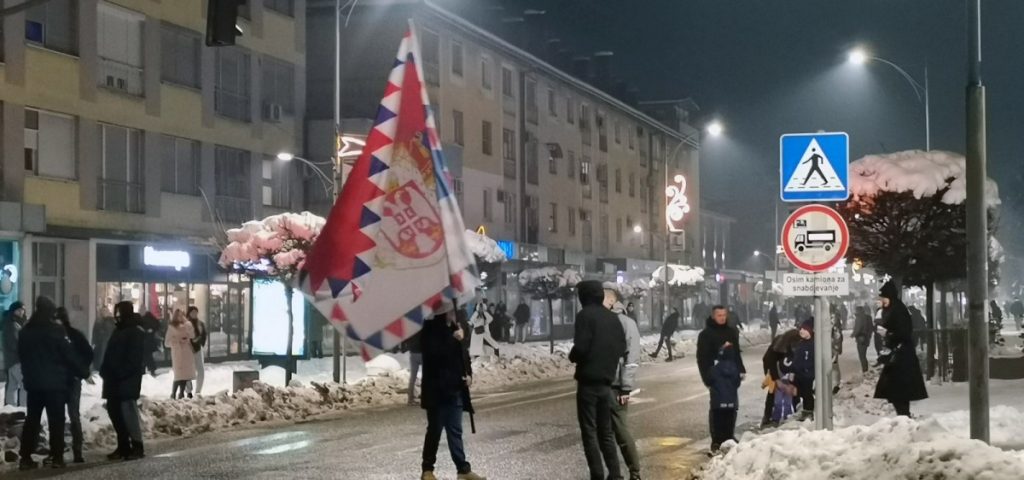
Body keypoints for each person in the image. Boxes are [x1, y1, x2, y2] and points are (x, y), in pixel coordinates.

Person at [17, 297, 89, 470]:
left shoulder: (26, 331)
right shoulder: (56, 331)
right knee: (56, 421)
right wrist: (83, 372)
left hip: (34, 384)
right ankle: (57, 457)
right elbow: (68, 354)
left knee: (32, 421)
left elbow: (22, 355)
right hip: (55, 384)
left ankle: (25, 457)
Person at [419, 301, 485, 480]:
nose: (455, 314)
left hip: (455, 390)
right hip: (438, 392)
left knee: (455, 431)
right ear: (443, 312)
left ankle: (463, 469)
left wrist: (468, 374)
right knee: (435, 430)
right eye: (451, 311)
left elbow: (463, 356)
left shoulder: (455, 330)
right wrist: (454, 340)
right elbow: (435, 356)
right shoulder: (430, 330)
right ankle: (427, 470)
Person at [569, 280, 627, 480]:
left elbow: (582, 347)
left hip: (588, 383)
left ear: (583, 296)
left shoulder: (585, 316)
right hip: (607, 382)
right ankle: (616, 474)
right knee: (606, 432)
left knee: (590, 432)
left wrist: (573, 355)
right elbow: (621, 347)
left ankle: (597, 475)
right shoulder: (612, 318)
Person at [874, 281, 928, 416]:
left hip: (902, 356)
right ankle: (903, 415)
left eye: (883, 298)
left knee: (899, 388)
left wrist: (887, 333)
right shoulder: (893, 308)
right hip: (898, 355)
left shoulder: (898, 310)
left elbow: (904, 332)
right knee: (896, 389)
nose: (882, 300)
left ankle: (904, 415)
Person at [101, 301, 147, 460]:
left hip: (126, 379)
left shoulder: (135, 331)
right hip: (114, 378)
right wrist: (105, 369)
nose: (116, 315)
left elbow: (133, 358)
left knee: (128, 412)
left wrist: (119, 372)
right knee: (114, 412)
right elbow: (110, 352)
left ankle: (137, 445)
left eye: (119, 312)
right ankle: (123, 446)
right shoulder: (119, 329)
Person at [697, 306, 746, 452]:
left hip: (731, 376)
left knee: (731, 407)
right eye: (719, 315)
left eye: (724, 315)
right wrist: (707, 377)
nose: (722, 318)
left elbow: (736, 352)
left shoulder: (731, 332)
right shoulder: (706, 335)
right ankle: (717, 439)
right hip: (716, 377)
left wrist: (740, 370)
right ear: (713, 316)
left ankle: (729, 436)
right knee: (718, 408)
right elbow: (702, 358)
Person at [606, 289, 641, 480]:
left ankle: (634, 472)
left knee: (620, 431)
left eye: (603, 297)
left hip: (616, 385)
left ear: (612, 300)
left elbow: (632, 357)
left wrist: (626, 387)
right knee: (605, 433)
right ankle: (614, 474)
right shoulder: (602, 320)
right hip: (602, 384)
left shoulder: (626, 323)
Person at [56, 307, 93, 464]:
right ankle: (77, 451)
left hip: (59, 380)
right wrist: (82, 369)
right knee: (74, 415)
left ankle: (58, 452)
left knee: (58, 416)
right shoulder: (76, 334)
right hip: (73, 380)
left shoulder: (56, 336)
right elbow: (89, 353)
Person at [759, 327, 803, 428]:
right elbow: (769, 361)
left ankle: (796, 413)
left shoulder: (801, 346)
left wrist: (795, 384)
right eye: (793, 347)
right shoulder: (779, 346)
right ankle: (768, 417)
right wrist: (776, 379)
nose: (795, 349)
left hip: (789, 372)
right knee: (773, 392)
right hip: (774, 369)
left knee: (793, 391)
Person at [165, 310, 196, 400]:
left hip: (187, 352)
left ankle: (181, 392)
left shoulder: (186, 325)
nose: (180, 317)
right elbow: (167, 342)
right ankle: (173, 393)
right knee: (178, 375)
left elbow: (192, 335)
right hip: (178, 353)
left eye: (182, 315)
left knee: (185, 375)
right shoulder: (172, 327)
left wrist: (187, 324)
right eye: (178, 316)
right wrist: (177, 341)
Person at [790, 319, 815, 419]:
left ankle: (808, 412)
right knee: (795, 392)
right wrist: (792, 371)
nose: (801, 331)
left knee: (807, 394)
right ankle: (798, 409)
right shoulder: (801, 343)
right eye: (801, 329)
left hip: (807, 375)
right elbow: (796, 359)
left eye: (804, 329)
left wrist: (810, 371)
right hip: (799, 374)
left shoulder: (813, 345)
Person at [2, 301, 26, 406]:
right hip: (16, 360)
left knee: (13, 386)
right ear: (14, 311)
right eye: (20, 310)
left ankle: (10, 408)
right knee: (24, 384)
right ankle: (23, 408)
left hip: (11, 360)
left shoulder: (10, 323)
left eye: (23, 310)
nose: (22, 312)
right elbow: (15, 343)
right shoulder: (12, 325)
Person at [186, 306, 207, 397]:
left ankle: (198, 391)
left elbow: (204, 335)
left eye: (196, 312)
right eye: (192, 312)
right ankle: (188, 391)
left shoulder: (200, 324)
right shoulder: (186, 324)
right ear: (189, 313)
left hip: (198, 349)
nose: (194, 314)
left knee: (201, 370)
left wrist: (200, 342)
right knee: (188, 371)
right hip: (187, 350)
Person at [402, 329, 424, 406]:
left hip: (413, 354)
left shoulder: (411, 329)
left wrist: (403, 349)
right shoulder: (424, 329)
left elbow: (405, 339)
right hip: (423, 354)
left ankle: (410, 399)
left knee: (412, 378)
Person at [92, 305, 115, 371]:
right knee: (100, 356)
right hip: (100, 342)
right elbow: (95, 332)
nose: (104, 312)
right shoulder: (98, 321)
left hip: (107, 342)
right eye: (103, 311)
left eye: (105, 311)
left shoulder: (111, 321)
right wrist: (94, 342)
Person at [852, 306, 874, 373]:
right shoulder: (868, 317)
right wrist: (869, 336)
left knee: (862, 356)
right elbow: (871, 328)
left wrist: (853, 334)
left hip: (860, 338)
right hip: (866, 338)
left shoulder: (859, 318)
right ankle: (865, 370)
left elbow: (858, 328)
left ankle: (865, 370)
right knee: (864, 355)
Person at [140, 312, 161, 376]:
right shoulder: (153, 321)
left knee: (145, 357)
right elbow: (158, 325)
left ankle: (143, 370)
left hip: (143, 341)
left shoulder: (142, 320)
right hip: (150, 341)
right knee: (149, 357)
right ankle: (152, 369)